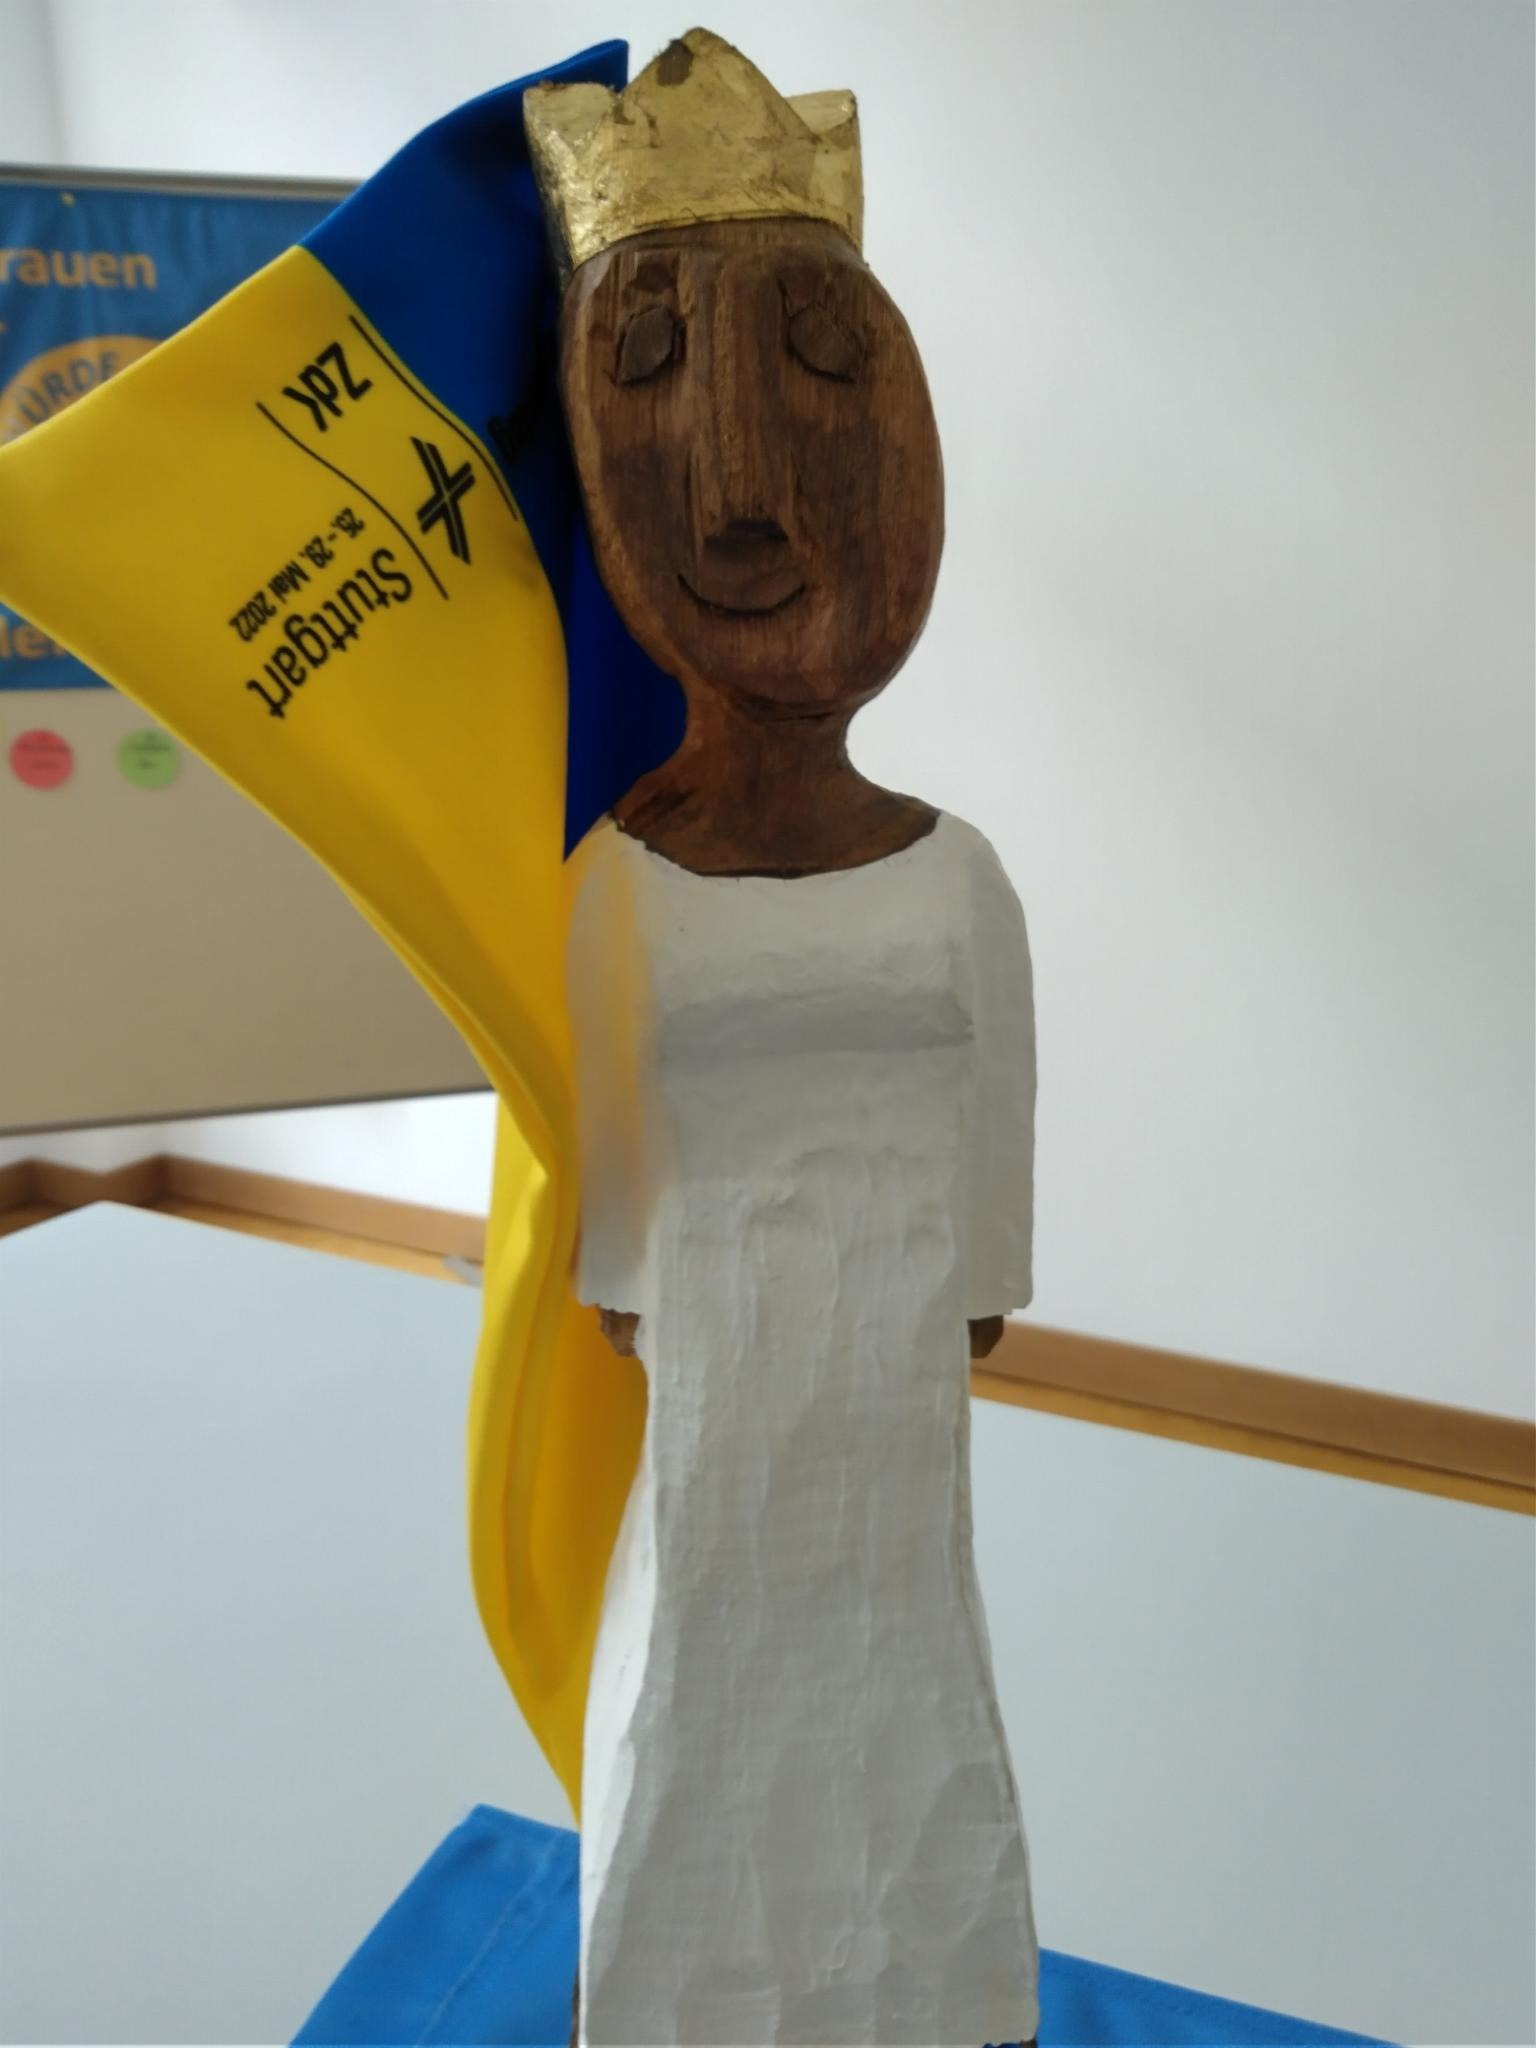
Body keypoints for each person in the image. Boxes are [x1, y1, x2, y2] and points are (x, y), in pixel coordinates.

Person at [529, 31, 1041, 2048]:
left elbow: (992, 1130)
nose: (745, 490)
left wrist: (971, 1279)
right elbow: (610, 1179)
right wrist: (644, 1289)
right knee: (710, 1648)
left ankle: (922, 1981)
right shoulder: (617, 881)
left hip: (892, 1354)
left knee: (903, 1642)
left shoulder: (957, 874)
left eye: (824, 370)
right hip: (722, 1357)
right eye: (657, 376)